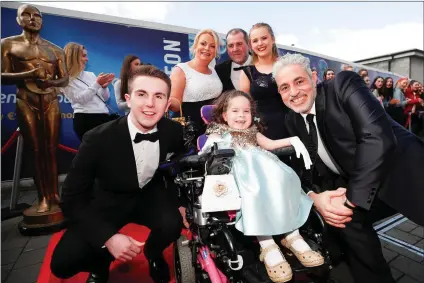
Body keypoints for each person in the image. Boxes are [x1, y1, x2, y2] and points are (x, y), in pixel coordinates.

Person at [273, 53, 424, 283]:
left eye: (299, 81)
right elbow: (306, 169)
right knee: (344, 220)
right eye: (284, 87)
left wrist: (351, 200)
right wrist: (317, 197)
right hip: (362, 184)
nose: (293, 92)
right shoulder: (292, 120)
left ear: (314, 77)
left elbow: (377, 138)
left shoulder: (343, 84)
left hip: (405, 171)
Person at [50, 65, 187, 283]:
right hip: (108, 198)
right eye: (142, 94)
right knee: (63, 263)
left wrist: (180, 202)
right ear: (128, 99)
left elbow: (179, 163)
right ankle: (99, 264)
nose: (150, 104)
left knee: (173, 223)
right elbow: (71, 198)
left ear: (167, 103)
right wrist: (108, 237)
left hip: (149, 193)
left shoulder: (173, 131)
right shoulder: (97, 138)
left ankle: (153, 253)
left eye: (158, 96)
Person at [200, 90, 324, 283]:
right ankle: (266, 244)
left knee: (286, 178)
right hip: (238, 171)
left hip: (265, 167)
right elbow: (206, 151)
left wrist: (293, 140)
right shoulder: (219, 132)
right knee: (254, 189)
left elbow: (271, 145)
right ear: (224, 115)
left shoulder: (253, 133)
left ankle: (293, 235)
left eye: (246, 111)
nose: (241, 116)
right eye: (235, 111)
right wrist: (212, 148)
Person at [1, 4, 69, 213]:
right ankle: (43, 197)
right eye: (26, 15)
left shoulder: (55, 49)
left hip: (50, 100)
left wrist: (51, 83)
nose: (32, 19)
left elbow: (64, 78)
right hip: (26, 99)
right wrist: (28, 75)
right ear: (18, 19)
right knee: (36, 150)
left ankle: (54, 194)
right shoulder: (7, 44)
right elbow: (2, 75)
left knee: (51, 149)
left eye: (37, 15)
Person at [239, 23, 290, 140]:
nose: (260, 43)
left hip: (292, 126)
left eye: (264, 38)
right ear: (250, 45)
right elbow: (245, 107)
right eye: (255, 41)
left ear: (273, 39)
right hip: (262, 132)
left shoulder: (287, 65)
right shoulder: (247, 72)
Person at [169, 28, 223, 137]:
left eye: (212, 46)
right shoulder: (181, 69)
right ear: (195, 46)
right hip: (189, 127)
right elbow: (175, 104)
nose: (207, 48)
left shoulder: (214, 70)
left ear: (216, 51)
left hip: (213, 126)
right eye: (203, 43)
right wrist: (165, 101)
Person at [62, 42, 115, 141]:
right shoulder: (66, 79)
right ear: (74, 57)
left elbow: (105, 98)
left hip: (104, 117)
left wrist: (103, 87)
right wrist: (97, 84)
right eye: (84, 56)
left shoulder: (90, 74)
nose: (87, 59)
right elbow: (80, 99)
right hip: (86, 120)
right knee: (95, 154)